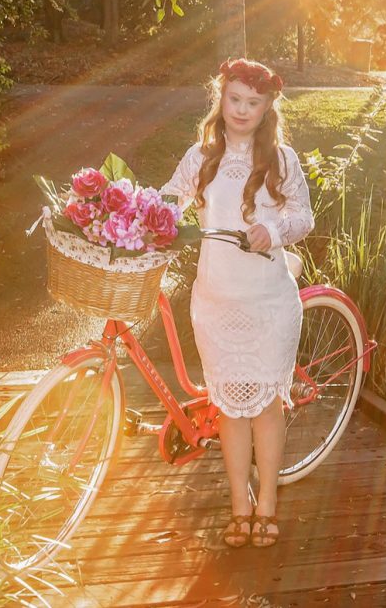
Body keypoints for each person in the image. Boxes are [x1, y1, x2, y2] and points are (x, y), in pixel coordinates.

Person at [160, 58, 314, 548]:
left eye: (253, 102)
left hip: (268, 302)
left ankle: (267, 503)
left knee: (266, 404)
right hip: (216, 302)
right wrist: (141, 216)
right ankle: (239, 505)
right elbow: (169, 200)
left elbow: (303, 216)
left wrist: (274, 229)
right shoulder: (200, 157)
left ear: (268, 106)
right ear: (220, 98)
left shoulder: (281, 159)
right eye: (234, 99)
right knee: (229, 406)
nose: (242, 110)